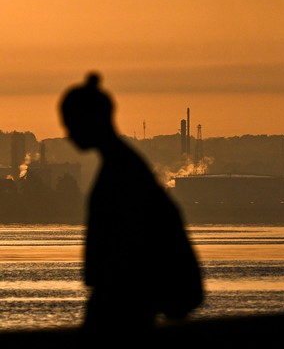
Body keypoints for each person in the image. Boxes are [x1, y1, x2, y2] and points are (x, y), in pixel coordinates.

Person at [59, 71, 204, 341]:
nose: (68, 133)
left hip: (122, 311)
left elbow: (127, 250)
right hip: (124, 305)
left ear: (91, 119)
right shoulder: (126, 165)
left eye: (71, 123)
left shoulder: (120, 173)